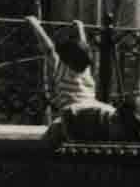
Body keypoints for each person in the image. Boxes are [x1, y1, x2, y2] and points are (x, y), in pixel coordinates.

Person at [24, 13, 121, 143]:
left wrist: (35, 24)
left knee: (44, 143)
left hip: (73, 112)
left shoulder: (60, 67)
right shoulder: (85, 69)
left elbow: (48, 49)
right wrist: (80, 28)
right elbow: (83, 47)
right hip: (93, 106)